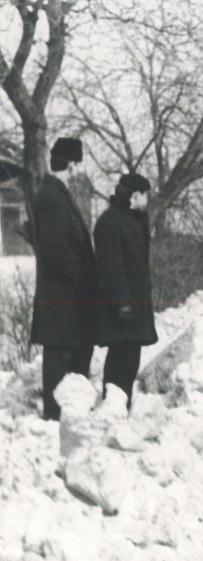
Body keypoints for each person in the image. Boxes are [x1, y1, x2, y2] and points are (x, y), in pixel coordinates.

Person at [30, 137, 97, 421]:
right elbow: (54, 248)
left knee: (69, 353)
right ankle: (55, 417)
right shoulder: (53, 197)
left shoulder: (54, 194)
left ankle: (66, 413)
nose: (77, 172)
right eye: (76, 166)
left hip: (65, 297)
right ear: (70, 165)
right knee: (59, 357)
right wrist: (82, 275)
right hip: (62, 297)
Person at [93, 173, 158, 409]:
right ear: (136, 195)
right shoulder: (110, 221)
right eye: (146, 196)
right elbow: (110, 267)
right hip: (123, 307)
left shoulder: (133, 219)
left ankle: (121, 407)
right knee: (120, 361)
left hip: (134, 305)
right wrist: (122, 302)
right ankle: (113, 409)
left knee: (129, 361)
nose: (148, 201)